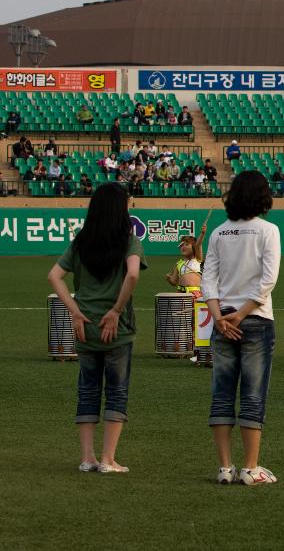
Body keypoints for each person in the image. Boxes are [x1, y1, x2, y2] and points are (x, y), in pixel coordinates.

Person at [47, 183, 143, 474]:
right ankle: (107, 460)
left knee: (87, 390)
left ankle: (87, 458)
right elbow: (134, 274)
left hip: (85, 327)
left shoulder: (81, 241)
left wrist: (75, 312)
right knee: (117, 391)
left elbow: (54, 276)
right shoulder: (128, 240)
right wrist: (115, 310)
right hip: (116, 328)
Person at [202, 170, 281, 485]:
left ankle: (224, 468)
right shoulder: (268, 230)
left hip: (223, 321)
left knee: (221, 394)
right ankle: (250, 468)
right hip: (256, 321)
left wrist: (219, 317)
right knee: (252, 395)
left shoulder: (219, 233)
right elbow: (268, 279)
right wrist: (242, 313)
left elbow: (208, 279)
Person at [166, 222, 209, 297]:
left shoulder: (197, 258)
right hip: (181, 292)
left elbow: (198, 245)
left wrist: (202, 234)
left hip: (197, 292)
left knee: (195, 309)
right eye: (181, 245)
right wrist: (169, 279)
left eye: (186, 244)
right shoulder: (178, 264)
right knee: (181, 309)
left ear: (194, 247)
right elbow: (174, 282)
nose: (183, 247)